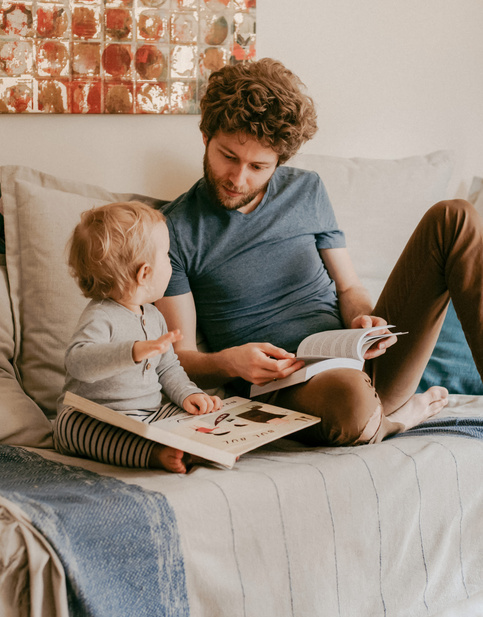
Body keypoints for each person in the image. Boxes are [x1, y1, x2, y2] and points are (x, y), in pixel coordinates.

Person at [156, 57, 483, 448]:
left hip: (358, 358)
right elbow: (180, 358)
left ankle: (383, 416)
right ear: (206, 135)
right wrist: (230, 361)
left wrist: (363, 318)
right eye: (228, 156)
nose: (238, 178)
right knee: (351, 401)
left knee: (455, 217)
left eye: (258, 166)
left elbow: (348, 289)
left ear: (279, 160)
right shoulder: (171, 230)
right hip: (286, 388)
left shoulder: (306, 190)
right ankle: (391, 420)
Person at [54, 201, 222, 473]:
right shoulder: (100, 316)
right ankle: (153, 453)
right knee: (71, 427)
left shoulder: (154, 316)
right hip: (97, 416)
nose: (172, 262)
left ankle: (204, 446)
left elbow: (169, 368)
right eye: (167, 255)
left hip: (149, 413)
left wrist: (189, 394)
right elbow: (77, 362)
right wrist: (132, 351)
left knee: (203, 416)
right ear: (145, 273)